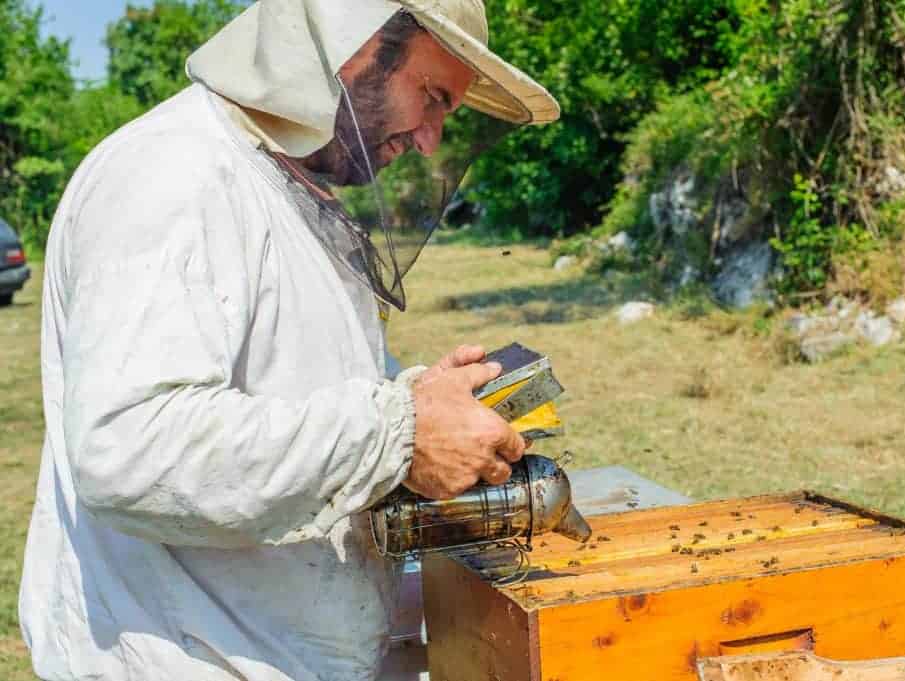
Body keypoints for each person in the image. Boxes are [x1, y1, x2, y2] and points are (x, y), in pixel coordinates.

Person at [18, 1, 559, 679]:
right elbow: (127, 445)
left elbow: (291, 391)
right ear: (352, 45)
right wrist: (399, 433)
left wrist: (418, 398)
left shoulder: (287, 182)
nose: (432, 141)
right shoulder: (172, 175)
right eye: (432, 96)